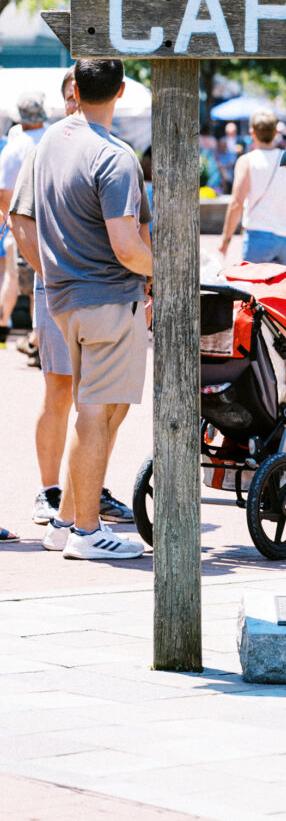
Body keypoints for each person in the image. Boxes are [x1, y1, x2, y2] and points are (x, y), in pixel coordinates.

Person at [29, 59, 151, 559]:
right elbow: (126, 245)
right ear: (121, 91)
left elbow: (24, 216)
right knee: (99, 414)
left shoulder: (50, 142)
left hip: (63, 298)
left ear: (74, 89)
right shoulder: (116, 157)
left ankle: (65, 523)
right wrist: (162, 270)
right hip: (107, 298)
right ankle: (85, 532)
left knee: (97, 410)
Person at [218, 108, 286, 267]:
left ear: (252, 133)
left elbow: (237, 203)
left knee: (255, 289)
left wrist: (226, 240)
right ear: (276, 132)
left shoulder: (247, 161)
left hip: (259, 235)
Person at [0, 91, 47, 345]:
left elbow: (4, 194)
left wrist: (10, 223)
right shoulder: (53, 136)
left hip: (18, 224)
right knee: (39, 285)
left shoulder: (14, 146)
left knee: (15, 278)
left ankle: (5, 325)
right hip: (52, 223)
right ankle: (37, 339)